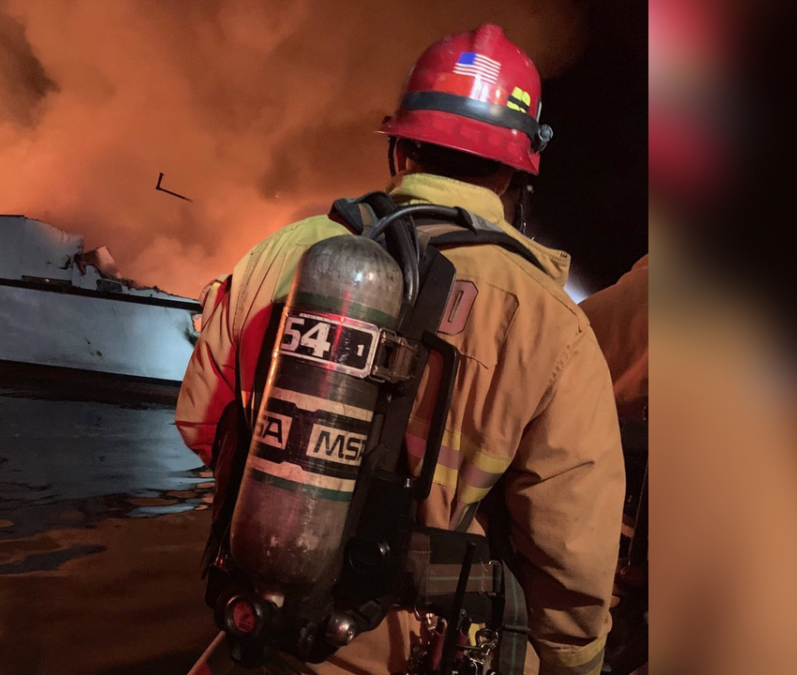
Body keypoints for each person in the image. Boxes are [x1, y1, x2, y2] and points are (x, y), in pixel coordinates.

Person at [177, 24, 624, 675]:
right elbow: (572, 564)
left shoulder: (281, 254)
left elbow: (199, 421)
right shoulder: (549, 323)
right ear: (517, 167)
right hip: (421, 655)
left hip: (267, 635)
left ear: (402, 145)